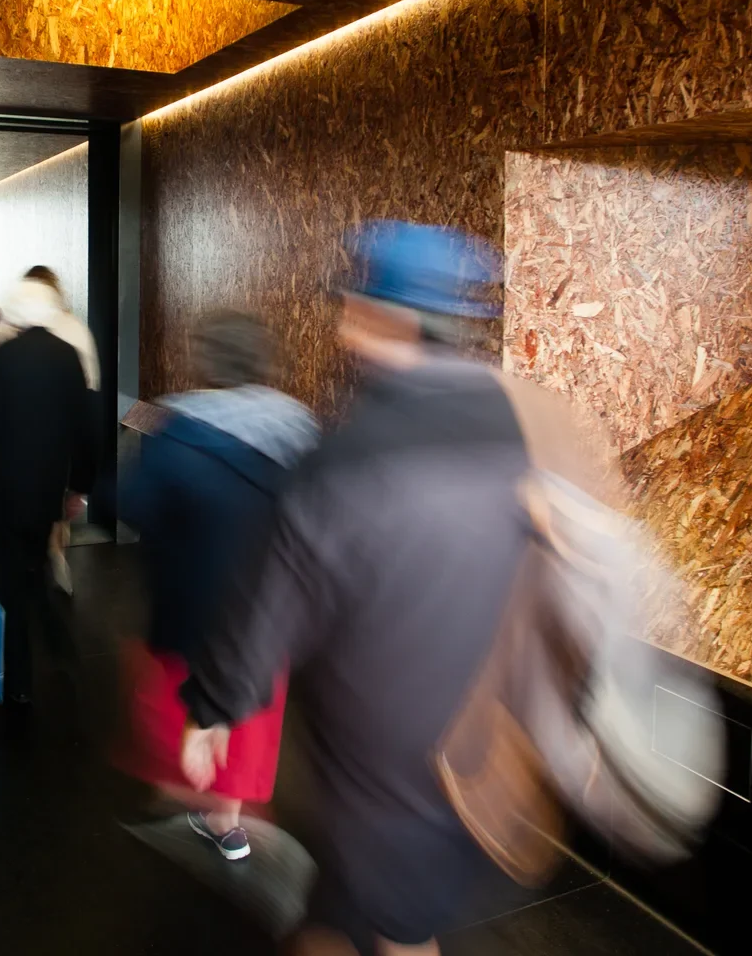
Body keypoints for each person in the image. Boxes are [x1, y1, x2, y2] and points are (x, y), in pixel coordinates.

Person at [177, 221, 532, 956]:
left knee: (398, 931)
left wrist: (212, 707)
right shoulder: (509, 433)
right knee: (342, 917)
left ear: (383, 318)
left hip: (382, 755)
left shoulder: (347, 461)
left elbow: (270, 606)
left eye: (350, 307)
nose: (340, 327)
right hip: (477, 738)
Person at [118, 310, 317, 861]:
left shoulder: (172, 427)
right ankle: (227, 821)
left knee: (177, 698)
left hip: (189, 600)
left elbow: (132, 504)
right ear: (262, 362)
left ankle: (182, 786)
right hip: (263, 612)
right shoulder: (301, 430)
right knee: (251, 708)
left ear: (204, 362)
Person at [0, 278, 95, 705]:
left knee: (7, 579)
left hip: (1, 490)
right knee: (34, 564)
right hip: (46, 487)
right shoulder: (68, 357)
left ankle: (18, 680)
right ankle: (58, 645)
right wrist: (79, 487)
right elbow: (84, 428)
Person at [0, 265, 99, 593]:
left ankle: (27, 560)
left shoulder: (6, 332)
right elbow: (90, 387)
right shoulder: (76, 328)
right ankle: (55, 549)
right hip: (63, 431)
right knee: (57, 493)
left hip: (17, 434)